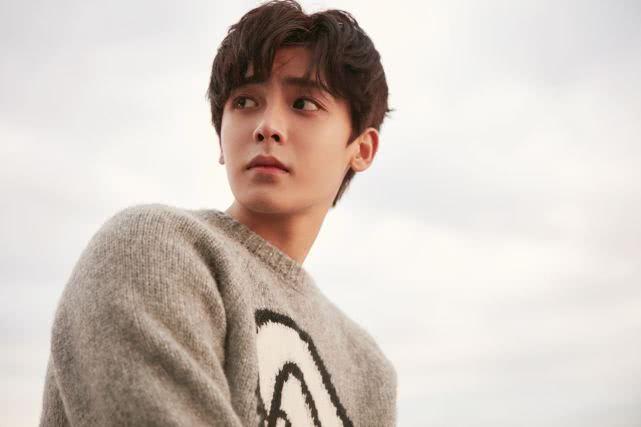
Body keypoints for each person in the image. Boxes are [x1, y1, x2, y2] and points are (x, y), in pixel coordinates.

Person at [39, 0, 397, 425]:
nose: (267, 126)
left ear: (362, 148)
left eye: (304, 103)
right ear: (220, 139)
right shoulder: (153, 250)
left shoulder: (369, 370)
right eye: (244, 101)